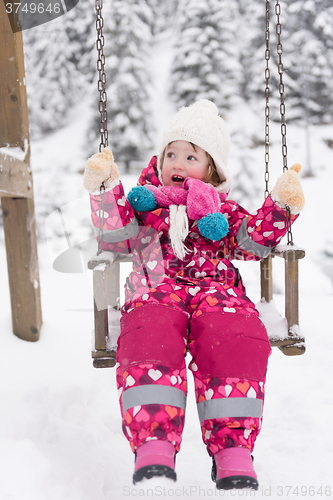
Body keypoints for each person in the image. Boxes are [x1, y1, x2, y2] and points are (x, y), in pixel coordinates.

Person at [83, 100, 305, 490]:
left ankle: (233, 449)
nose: (178, 162)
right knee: (149, 336)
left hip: (218, 292)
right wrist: (106, 189)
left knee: (236, 337)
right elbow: (116, 237)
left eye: (191, 155)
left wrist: (281, 208)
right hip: (155, 289)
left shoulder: (223, 211)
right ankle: (153, 444)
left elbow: (252, 242)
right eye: (171, 153)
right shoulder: (145, 205)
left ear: (212, 169)